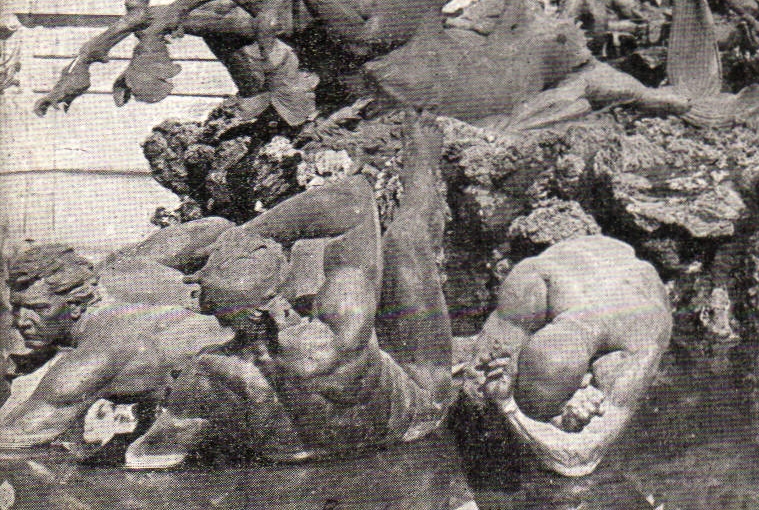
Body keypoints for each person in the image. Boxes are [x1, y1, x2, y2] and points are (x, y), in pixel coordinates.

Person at [119, 111, 456, 470]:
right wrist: (251, 235)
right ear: (275, 302)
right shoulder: (337, 339)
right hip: (408, 422)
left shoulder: (205, 375)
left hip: (295, 451)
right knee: (405, 242)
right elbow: (354, 200)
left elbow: (148, 456)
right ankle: (423, 155)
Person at [0, 220, 235, 452]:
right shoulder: (120, 269)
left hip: (241, 384)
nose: (21, 322)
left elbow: (13, 437)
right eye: (17, 307)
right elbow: (216, 228)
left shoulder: (93, 360)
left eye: (40, 309)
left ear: (74, 307)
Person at [463, 235, 671, 478]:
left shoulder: (643, 339)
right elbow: (474, 384)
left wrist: (508, 407)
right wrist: (499, 382)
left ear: (586, 378)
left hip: (640, 288)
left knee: (588, 419)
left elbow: (579, 458)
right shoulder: (535, 282)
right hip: (580, 260)